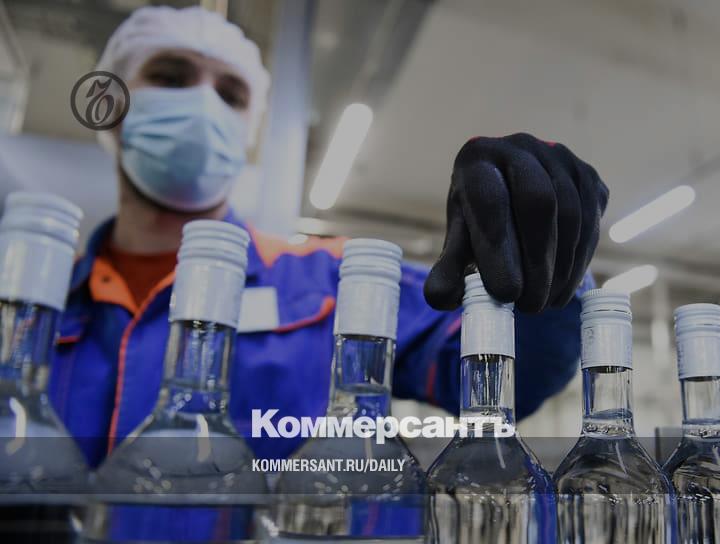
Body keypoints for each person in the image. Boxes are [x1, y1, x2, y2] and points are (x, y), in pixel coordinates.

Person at [50, 6, 609, 466]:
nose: (201, 105)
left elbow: (508, 377)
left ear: (245, 130)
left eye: (230, 95)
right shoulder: (39, 305)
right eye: (171, 78)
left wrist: (541, 259)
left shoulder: (334, 281)